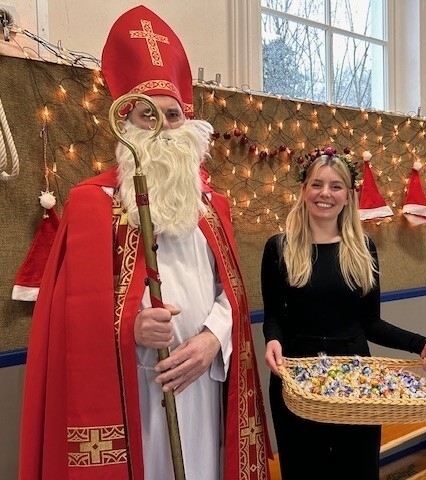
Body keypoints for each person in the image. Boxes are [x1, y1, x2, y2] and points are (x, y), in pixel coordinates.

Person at [17, 5, 271, 480]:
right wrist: (129, 329)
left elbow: (230, 293)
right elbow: (72, 315)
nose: (163, 126)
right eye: (146, 114)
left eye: (173, 115)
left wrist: (211, 341)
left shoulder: (212, 205)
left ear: (188, 123)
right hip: (135, 389)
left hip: (205, 381)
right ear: (125, 123)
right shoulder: (93, 204)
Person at [261, 147, 426, 480]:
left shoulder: (363, 249)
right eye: (317, 184)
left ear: (348, 195)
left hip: (357, 382)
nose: (325, 194)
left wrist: (420, 343)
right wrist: (272, 339)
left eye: (336, 186)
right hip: (299, 379)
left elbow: (371, 323)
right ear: (304, 190)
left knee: (357, 469)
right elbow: (275, 316)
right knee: (304, 469)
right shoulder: (279, 247)